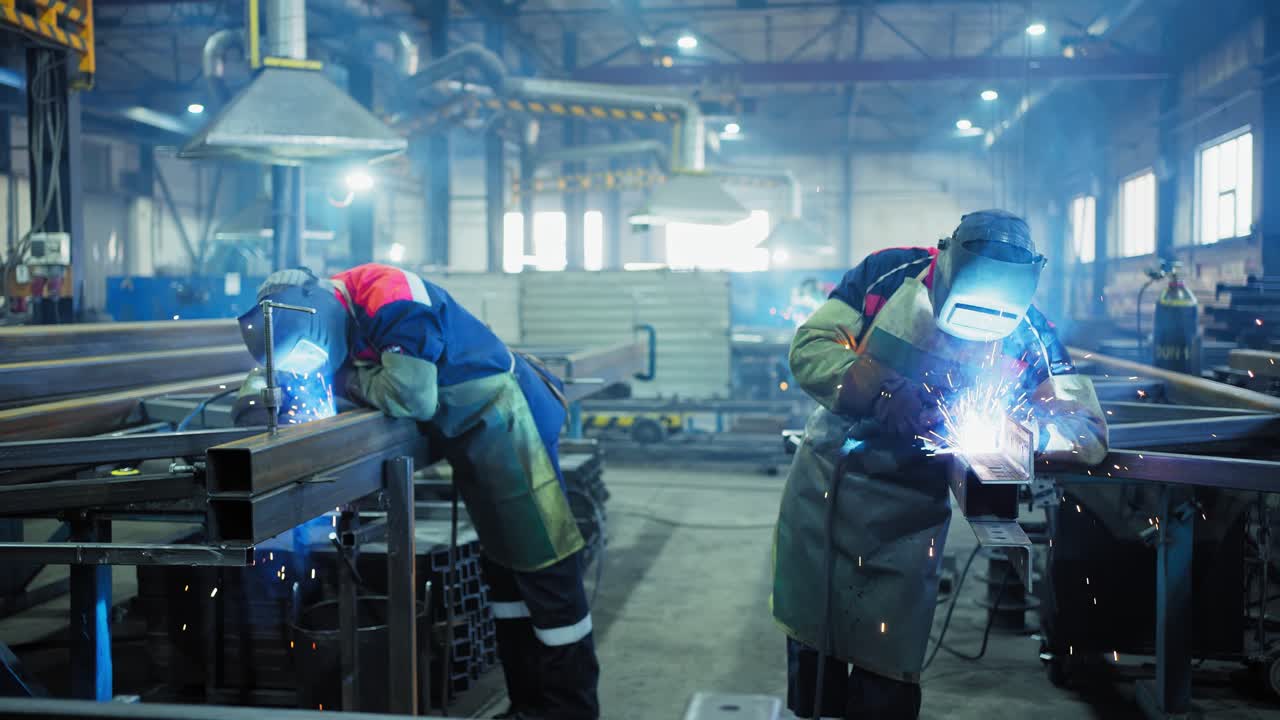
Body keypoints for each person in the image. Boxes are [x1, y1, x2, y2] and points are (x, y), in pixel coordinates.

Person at [772, 210, 1108, 719]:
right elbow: (811, 348)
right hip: (827, 492)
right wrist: (881, 392)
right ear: (944, 264)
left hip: (909, 520)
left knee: (889, 669)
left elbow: (1084, 431)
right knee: (816, 656)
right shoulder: (885, 275)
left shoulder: (1030, 331)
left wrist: (1017, 435)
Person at [232, 264, 599, 720]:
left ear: (319, 315)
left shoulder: (389, 294)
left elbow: (411, 397)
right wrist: (257, 392)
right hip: (473, 432)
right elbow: (296, 373)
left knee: (546, 570)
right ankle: (529, 707)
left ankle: (570, 710)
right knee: (505, 576)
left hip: (507, 418)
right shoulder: (322, 312)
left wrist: (341, 381)